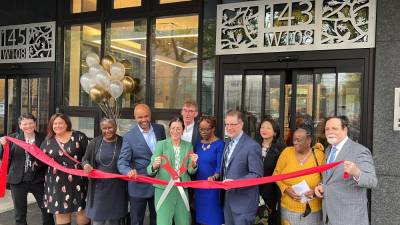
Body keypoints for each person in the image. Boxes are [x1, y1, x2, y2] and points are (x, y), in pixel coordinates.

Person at [314, 116, 377, 225]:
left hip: (350, 218)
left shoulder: (360, 151)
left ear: (345, 130)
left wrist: (357, 173)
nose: (330, 132)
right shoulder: (329, 149)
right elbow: (330, 179)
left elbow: (372, 181)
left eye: (334, 128)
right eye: (327, 129)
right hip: (328, 216)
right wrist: (322, 186)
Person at [0, 113, 55, 225]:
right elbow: (3, 156)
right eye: (25, 124)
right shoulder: (13, 138)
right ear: (20, 126)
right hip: (17, 181)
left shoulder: (44, 138)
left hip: (39, 180)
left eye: (31, 123)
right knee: (20, 214)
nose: (28, 126)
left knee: (47, 210)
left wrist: (38, 163)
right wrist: (2, 146)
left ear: (35, 124)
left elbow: (49, 157)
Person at [118, 103, 166, 225]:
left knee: (158, 220)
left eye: (146, 116)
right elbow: (122, 162)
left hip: (159, 185)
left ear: (150, 115)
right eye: (140, 117)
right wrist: (128, 171)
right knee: (136, 221)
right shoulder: (129, 137)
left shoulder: (160, 129)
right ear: (135, 118)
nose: (144, 119)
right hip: (138, 186)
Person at [147, 116, 198, 225]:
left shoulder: (188, 146)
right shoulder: (161, 144)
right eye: (173, 128)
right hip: (163, 190)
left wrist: (193, 164)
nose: (175, 131)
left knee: (183, 222)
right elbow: (149, 170)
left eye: (178, 128)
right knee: (163, 222)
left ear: (183, 130)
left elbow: (191, 171)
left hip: (182, 191)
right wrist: (155, 165)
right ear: (169, 130)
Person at [41, 113, 89, 225]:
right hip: (56, 182)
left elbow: (88, 156)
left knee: (81, 210)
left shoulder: (79, 136)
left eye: (60, 123)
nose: (57, 125)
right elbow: (40, 159)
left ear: (67, 123)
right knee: (61, 211)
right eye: (55, 123)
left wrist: (87, 165)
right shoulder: (48, 140)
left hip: (78, 181)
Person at [273, 124, 324, 225]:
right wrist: (286, 189)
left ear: (309, 140)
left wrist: (315, 191)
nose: (295, 142)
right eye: (294, 139)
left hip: (312, 211)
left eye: (299, 140)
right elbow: (276, 174)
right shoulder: (287, 152)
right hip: (288, 209)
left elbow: (327, 180)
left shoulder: (318, 155)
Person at [82, 118, 128, 225]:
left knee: (114, 220)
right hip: (98, 188)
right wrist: (86, 165)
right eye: (104, 128)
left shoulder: (123, 142)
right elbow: (85, 159)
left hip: (117, 188)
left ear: (115, 127)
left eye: (110, 127)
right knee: (98, 220)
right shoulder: (95, 142)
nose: (107, 131)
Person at [221, 110, 263, 225]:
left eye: (232, 124)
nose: (229, 128)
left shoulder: (252, 146)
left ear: (241, 124)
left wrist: (234, 182)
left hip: (244, 205)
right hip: (228, 202)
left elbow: (257, 175)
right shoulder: (228, 143)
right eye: (226, 124)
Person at [194, 116, 224, 225]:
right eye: (201, 129)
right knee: (200, 219)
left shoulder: (220, 144)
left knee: (213, 219)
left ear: (213, 128)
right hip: (199, 187)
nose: (203, 132)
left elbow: (220, 166)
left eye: (207, 129)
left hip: (212, 187)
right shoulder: (198, 144)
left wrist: (214, 177)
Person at [258, 117, 285, 225]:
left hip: (271, 190)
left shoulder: (281, 149)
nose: (264, 130)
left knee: (270, 218)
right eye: (262, 127)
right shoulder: (254, 145)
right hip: (254, 189)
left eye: (268, 128)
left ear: (275, 132)